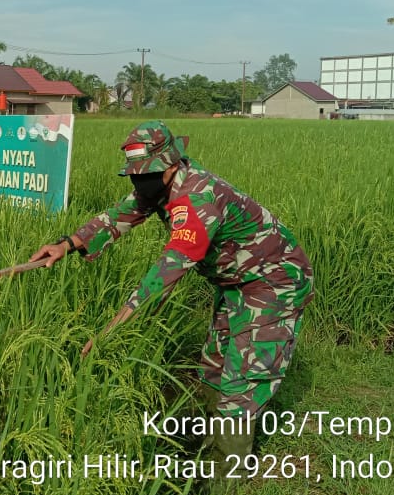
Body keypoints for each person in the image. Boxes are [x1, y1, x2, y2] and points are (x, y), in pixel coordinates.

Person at [30, 121, 314, 473]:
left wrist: (113, 328)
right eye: (134, 174)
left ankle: (225, 482)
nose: (139, 181)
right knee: (213, 365)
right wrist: (66, 244)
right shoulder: (158, 187)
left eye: (145, 173)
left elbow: (168, 271)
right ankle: (211, 444)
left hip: (274, 283)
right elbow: (119, 215)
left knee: (241, 384)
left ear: (170, 165)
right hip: (236, 282)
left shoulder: (197, 198)